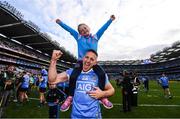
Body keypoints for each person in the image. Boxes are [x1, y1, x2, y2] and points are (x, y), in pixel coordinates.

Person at [56, 15, 115, 111]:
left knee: (101, 74)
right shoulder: (79, 38)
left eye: (84, 28)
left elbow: (103, 29)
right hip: (80, 62)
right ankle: (70, 97)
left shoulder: (95, 37)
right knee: (74, 76)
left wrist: (110, 20)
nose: (83, 30)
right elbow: (70, 30)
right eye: (81, 30)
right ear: (80, 34)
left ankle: (102, 96)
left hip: (93, 62)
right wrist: (60, 23)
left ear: (88, 27)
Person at [48, 49, 115, 118]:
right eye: (87, 57)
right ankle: (69, 99)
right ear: (83, 58)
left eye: (92, 59)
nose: (88, 61)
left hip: (94, 116)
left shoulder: (99, 75)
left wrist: (102, 94)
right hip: (76, 116)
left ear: (95, 62)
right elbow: (52, 81)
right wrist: (53, 60)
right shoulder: (72, 72)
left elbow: (112, 90)